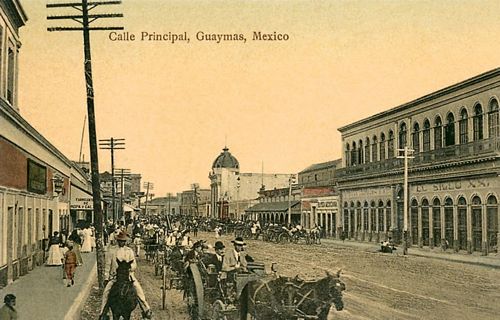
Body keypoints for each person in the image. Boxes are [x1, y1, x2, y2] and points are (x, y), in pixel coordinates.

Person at [99, 231, 152, 319]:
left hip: (128, 276)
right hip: (115, 277)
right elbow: (108, 265)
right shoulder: (112, 251)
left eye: (123, 241)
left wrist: (130, 268)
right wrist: (106, 277)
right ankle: (104, 313)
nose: (121, 243)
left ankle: (146, 309)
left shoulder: (129, 251)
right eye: (120, 241)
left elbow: (134, 264)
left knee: (139, 290)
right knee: (106, 292)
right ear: (117, 241)